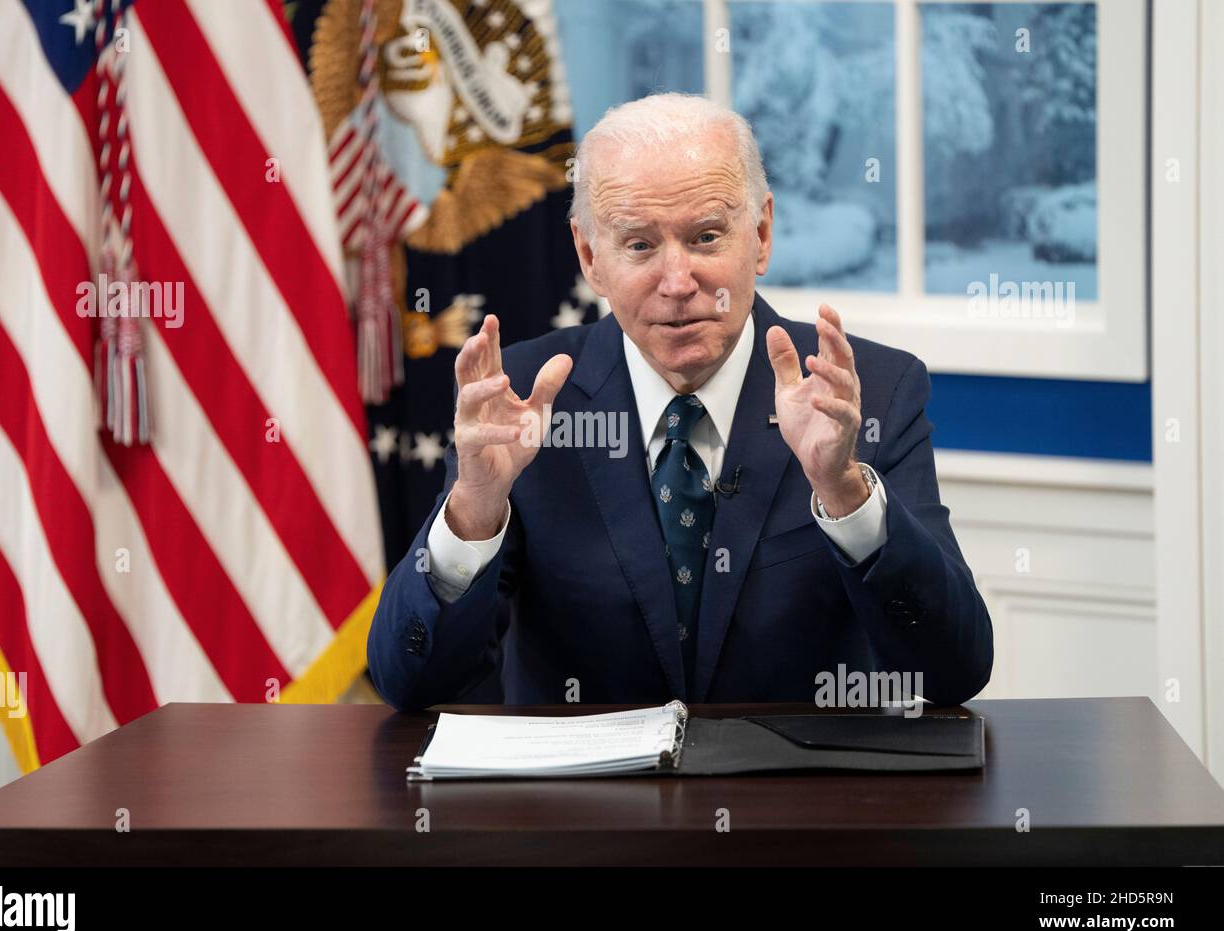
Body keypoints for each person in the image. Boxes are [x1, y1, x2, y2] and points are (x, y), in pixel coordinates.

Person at [367, 92, 993, 710]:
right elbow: (410, 686)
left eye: (706, 237)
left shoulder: (872, 391)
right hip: (584, 808)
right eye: (639, 245)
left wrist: (846, 493)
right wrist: (474, 509)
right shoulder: (521, 397)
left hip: (798, 802)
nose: (677, 283)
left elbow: (953, 671)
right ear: (590, 257)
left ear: (763, 235)